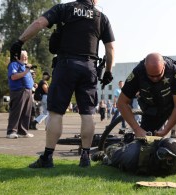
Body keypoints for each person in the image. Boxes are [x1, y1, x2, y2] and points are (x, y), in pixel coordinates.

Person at [9, 0, 115, 168]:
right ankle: (85, 157)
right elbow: (110, 48)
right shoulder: (101, 17)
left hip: (66, 64)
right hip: (89, 67)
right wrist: (108, 71)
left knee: (56, 112)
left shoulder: (64, 9)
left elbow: (39, 23)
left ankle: (48, 157)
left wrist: (19, 42)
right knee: (87, 113)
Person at [117, 53, 176, 173]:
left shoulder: (175, 73)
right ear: (145, 67)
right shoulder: (138, 72)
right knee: (142, 148)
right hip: (154, 106)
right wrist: (137, 129)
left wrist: (166, 130)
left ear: (164, 66)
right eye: (151, 76)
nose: (155, 79)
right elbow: (121, 103)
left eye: (158, 75)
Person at [92, 136, 176, 176]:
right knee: (115, 157)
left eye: (170, 159)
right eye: (162, 155)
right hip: (137, 150)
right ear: (156, 151)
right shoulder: (132, 155)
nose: (165, 161)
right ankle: (104, 157)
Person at [6, 50, 35, 139]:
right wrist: (26, 71)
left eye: (26, 56)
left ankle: (23, 131)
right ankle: (11, 131)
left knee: (26, 112)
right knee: (16, 112)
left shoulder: (24, 66)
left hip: (28, 91)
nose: (25, 58)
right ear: (18, 57)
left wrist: (33, 83)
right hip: (19, 91)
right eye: (23, 56)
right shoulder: (14, 64)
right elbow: (13, 76)